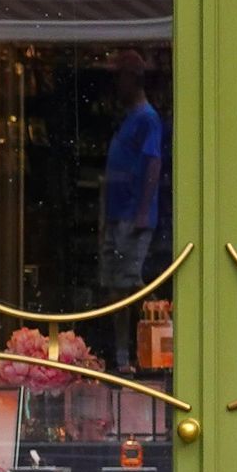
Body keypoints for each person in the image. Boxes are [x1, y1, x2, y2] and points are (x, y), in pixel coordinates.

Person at [100, 51, 164, 363]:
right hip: (117, 215)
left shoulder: (147, 119)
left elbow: (153, 163)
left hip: (131, 217)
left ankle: (145, 351)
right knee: (116, 286)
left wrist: (141, 211)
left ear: (132, 79)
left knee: (130, 286)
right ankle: (124, 354)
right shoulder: (130, 119)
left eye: (119, 77)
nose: (115, 85)